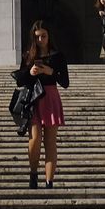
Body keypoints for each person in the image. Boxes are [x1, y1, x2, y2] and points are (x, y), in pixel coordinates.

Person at [17, 20, 69, 189]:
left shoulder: (58, 56)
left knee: (50, 142)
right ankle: (33, 173)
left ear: (49, 36)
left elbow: (65, 82)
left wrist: (50, 71)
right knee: (35, 138)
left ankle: (49, 181)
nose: (40, 40)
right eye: (37, 37)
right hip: (34, 99)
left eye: (43, 36)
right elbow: (20, 79)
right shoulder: (29, 55)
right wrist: (31, 72)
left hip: (51, 96)